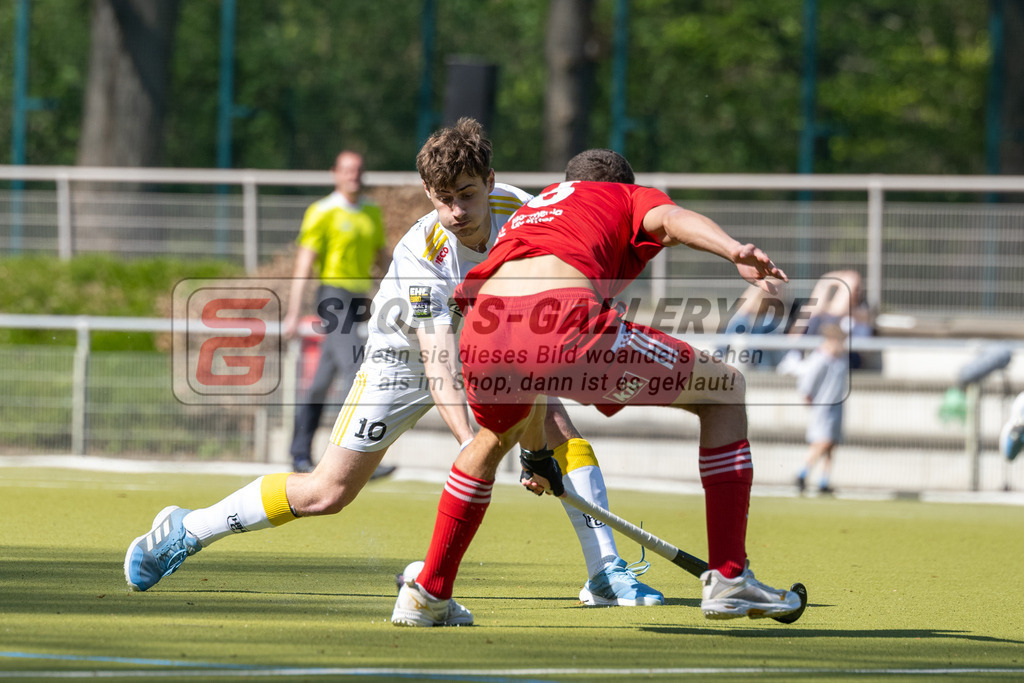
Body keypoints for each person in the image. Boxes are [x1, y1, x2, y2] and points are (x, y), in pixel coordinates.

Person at [125, 121, 663, 611]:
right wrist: (475, 450)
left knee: (559, 426)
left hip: (491, 345)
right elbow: (437, 362)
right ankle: (189, 528)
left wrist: (533, 442)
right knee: (326, 493)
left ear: (491, 182)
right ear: (429, 194)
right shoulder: (421, 256)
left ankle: (605, 572)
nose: (457, 211)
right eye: (444, 199)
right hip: (402, 359)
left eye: (468, 195)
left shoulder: (526, 216)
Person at [391, 148, 804, 627]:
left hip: (484, 330)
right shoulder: (623, 196)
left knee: (492, 440)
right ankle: (730, 577)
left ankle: (428, 594)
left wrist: (537, 454)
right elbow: (672, 220)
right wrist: (732, 249)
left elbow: (530, 372)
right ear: (624, 184)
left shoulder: (536, 208)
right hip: (562, 318)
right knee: (724, 391)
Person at [283, 150, 390, 474]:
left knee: (320, 382)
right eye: (347, 170)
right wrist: (292, 312)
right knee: (356, 369)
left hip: (359, 300)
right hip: (333, 297)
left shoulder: (371, 211)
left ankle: (299, 454)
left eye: (358, 169)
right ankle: (352, 459)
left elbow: (381, 257)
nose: (353, 175)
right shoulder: (322, 211)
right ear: (335, 173)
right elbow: (304, 264)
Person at [794, 323, 850, 495]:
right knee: (823, 440)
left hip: (837, 405)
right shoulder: (819, 359)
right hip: (823, 407)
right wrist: (810, 402)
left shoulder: (841, 359)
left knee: (832, 444)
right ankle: (801, 473)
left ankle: (824, 481)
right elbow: (806, 385)